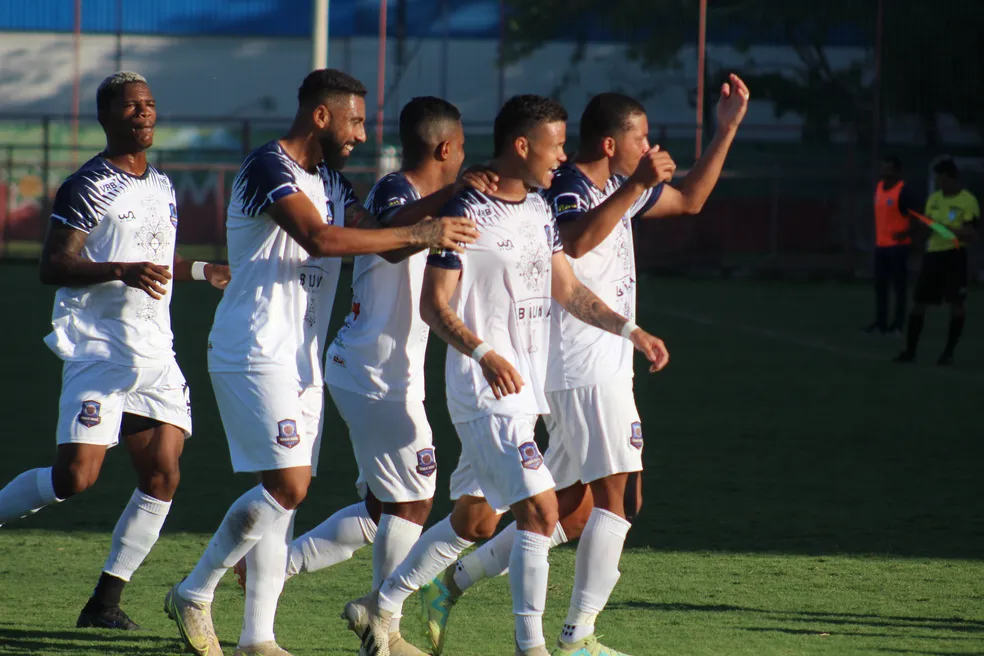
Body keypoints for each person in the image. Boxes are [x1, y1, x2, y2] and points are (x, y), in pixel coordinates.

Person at [421, 77, 749, 656]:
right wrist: (637, 188)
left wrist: (725, 129)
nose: (650, 147)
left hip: (602, 360)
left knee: (567, 514)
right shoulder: (571, 185)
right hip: (580, 365)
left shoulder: (621, 183)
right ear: (610, 143)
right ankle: (576, 637)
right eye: (641, 137)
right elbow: (572, 244)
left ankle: (453, 583)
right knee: (619, 498)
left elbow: (692, 198)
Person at [163, 70, 478, 656]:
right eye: (355, 120)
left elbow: (378, 233)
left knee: (282, 498)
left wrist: (453, 201)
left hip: (304, 358)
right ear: (322, 116)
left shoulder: (332, 178)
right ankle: (194, 589)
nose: (362, 132)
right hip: (252, 348)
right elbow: (322, 239)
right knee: (289, 485)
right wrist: (423, 225)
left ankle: (259, 638)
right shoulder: (268, 167)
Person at [346, 94, 669, 656]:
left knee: (474, 522)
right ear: (522, 146)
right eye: (556, 144)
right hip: (483, 391)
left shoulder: (542, 210)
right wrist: (482, 352)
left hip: (526, 393)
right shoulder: (469, 208)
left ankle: (383, 604)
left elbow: (567, 290)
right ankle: (535, 647)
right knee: (541, 512)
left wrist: (629, 331)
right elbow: (434, 305)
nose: (563, 155)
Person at [0, 72, 230, 630]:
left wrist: (201, 269)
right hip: (99, 349)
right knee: (75, 478)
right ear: (107, 118)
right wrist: (120, 270)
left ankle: (104, 602)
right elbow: (53, 266)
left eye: (149, 105)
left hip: (154, 353)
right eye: (131, 107)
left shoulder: (163, 186)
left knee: (163, 476)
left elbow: (154, 258)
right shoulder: (86, 185)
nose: (144, 115)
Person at [896, 157, 980, 365]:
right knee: (919, 304)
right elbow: (926, 227)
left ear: (949, 177)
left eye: (939, 178)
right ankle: (910, 352)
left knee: (957, 305)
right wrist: (911, 235)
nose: (937, 181)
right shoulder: (933, 199)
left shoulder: (968, 201)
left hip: (954, 256)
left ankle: (948, 353)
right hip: (933, 256)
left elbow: (971, 234)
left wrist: (947, 229)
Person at [866, 155, 917, 335]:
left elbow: (918, 218)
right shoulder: (879, 188)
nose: (884, 172)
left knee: (899, 286)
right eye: (883, 167)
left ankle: (898, 323)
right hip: (881, 245)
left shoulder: (903, 191)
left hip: (898, 246)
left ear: (896, 171)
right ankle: (880, 323)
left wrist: (906, 233)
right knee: (880, 285)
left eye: (888, 168)